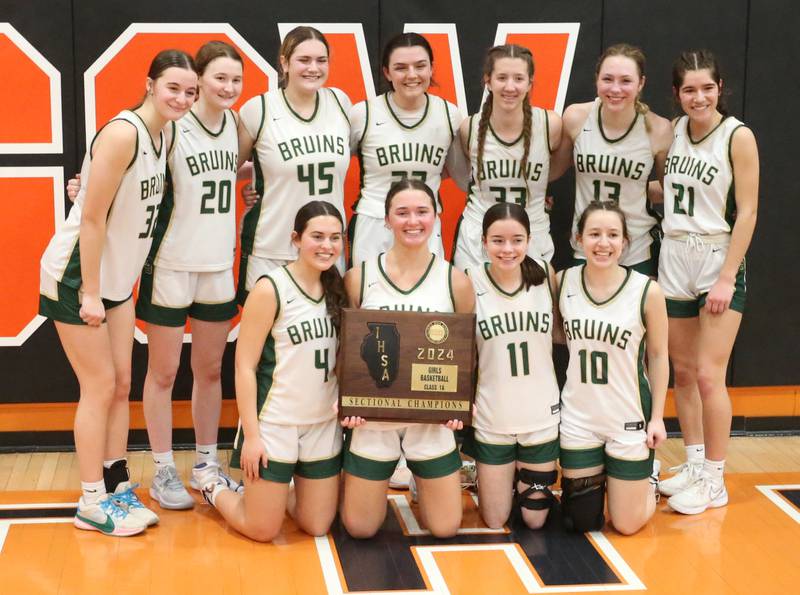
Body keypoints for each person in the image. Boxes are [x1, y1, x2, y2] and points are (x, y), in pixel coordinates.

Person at [39, 50, 198, 536]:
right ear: (150, 84)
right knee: (99, 386)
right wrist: (89, 292)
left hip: (117, 282)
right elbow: (91, 217)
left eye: (190, 91)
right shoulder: (123, 131)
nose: (182, 98)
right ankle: (91, 502)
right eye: (173, 88)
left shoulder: (164, 134)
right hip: (76, 278)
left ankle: (114, 486)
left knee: (121, 385)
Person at [135, 41, 245, 509]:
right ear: (199, 80)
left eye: (236, 80)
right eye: (219, 78)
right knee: (163, 372)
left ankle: (205, 465)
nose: (229, 87)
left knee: (209, 371)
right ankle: (162, 469)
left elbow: (233, 177)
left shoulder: (236, 126)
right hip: (171, 266)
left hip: (219, 264)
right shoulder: (175, 126)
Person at [196, 201, 347, 541]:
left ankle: (275, 495)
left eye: (335, 238)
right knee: (262, 529)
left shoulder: (340, 289)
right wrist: (252, 436)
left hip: (322, 423)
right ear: (296, 239)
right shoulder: (271, 288)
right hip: (276, 423)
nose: (327, 246)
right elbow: (244, 366)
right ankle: (214, 487)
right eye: (317, 236)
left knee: (318, 525)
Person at [340, 179, 474, 538]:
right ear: (386, 220)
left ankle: (422, 480)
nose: (412, 221)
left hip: (431, 420)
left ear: (437, 216)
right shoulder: (359, 277)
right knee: (360, 528)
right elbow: (348, 350)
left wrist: (460, 405)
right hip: (375, 419)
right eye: (402, 213)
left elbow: (466, 352)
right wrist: (349, 404)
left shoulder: (455, 281)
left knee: (445, 527)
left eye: (421, 212)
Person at [656, 50, 759, 515]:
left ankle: (716, 478)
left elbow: (750, 211)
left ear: (721, 89)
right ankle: (695, 464)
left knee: (708, 375)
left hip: (716, 253)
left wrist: (725, 276)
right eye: (689, 89)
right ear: (677, 94)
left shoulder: (737, 135)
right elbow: (668, 189)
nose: (699, 97)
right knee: (681, 372)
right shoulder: (673, 131)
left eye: (707, 88)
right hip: (673, 251)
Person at [557, 200, 668, 535]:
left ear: (624, 242)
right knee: (581, 522)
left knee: (626, 524)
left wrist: (658, 417)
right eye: (594, 234)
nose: (602, 243)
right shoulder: (562, 282)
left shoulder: (647, 291)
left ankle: (647, 480)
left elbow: (660, 356)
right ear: (578, 239)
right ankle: (612, 481)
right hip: (579, 420)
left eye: (612, 235)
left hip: (628, 419)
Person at [461, 203, 560, 529]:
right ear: (483, 242)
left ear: (529, 240)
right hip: (493, 419)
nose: (507, 249)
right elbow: (458, 353)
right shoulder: (468, 282)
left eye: (516, 240)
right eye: (498, 241)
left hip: (540, 419)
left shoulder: (547, 277)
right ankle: (486, 474)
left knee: (534, 521)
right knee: (494, 519)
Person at [237, 26, 351, 301]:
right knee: (265, 338)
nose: (313, 68)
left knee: (321, 336)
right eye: (304, 60)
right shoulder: (259, 109)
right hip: (272, 246)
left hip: (327, 248)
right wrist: (254, 180)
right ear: (284, 62)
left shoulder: (340, 102)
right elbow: (226, 169)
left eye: (321, 60)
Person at [551, 44, 672, 276]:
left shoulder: (658, 129)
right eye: (608, 79)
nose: (615, 89)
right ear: (597, 79)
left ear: (641, 83)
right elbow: (553, 171)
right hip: (587, 245)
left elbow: (671, 188)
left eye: (626, 81)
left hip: (637, 248)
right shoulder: (576, 117)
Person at [349, 32, 465, 265]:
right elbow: (336, 163)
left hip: (423, 224)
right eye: (401, 67)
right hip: (374, 222)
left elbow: (460, 174)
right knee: (368, 299)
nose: (412, 75)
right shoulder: (364, 113)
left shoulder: (448, 114)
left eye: (420, 66)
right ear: (386, 72)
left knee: (428, 300)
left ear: (431, 68)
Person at [453, 44, 562, 272]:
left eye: (519, 78)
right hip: (478, 237)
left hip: (531, 235)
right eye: (501, 77)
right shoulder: (470, 128)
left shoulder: (549, 125)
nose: (510, 86)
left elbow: (556, 170)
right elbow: (464, 176)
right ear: (488, 81)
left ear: (530, 83)